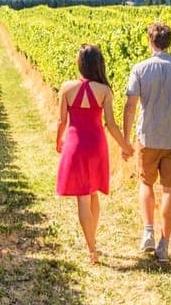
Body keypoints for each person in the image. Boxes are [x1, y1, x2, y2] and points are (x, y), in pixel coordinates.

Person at [122, 22, 171, 263]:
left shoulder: (140, 69)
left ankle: (148, 232)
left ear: (150, 41)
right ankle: (164, 244)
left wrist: (125, 138)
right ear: (170, 42)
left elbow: (130, 106)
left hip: (147, 136)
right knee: (169, 190)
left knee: (146, 183)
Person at [56, 44, 133, 264]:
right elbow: (111, 124)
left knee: (82, 196)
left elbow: (62, 121)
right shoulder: (104, 91)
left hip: (75, 143)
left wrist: (58, 141)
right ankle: (93, 239)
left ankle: (91, 249)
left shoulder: (66, 87)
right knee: (93, 193)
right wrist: (125, 146)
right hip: (97, 145)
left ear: (79, 64)